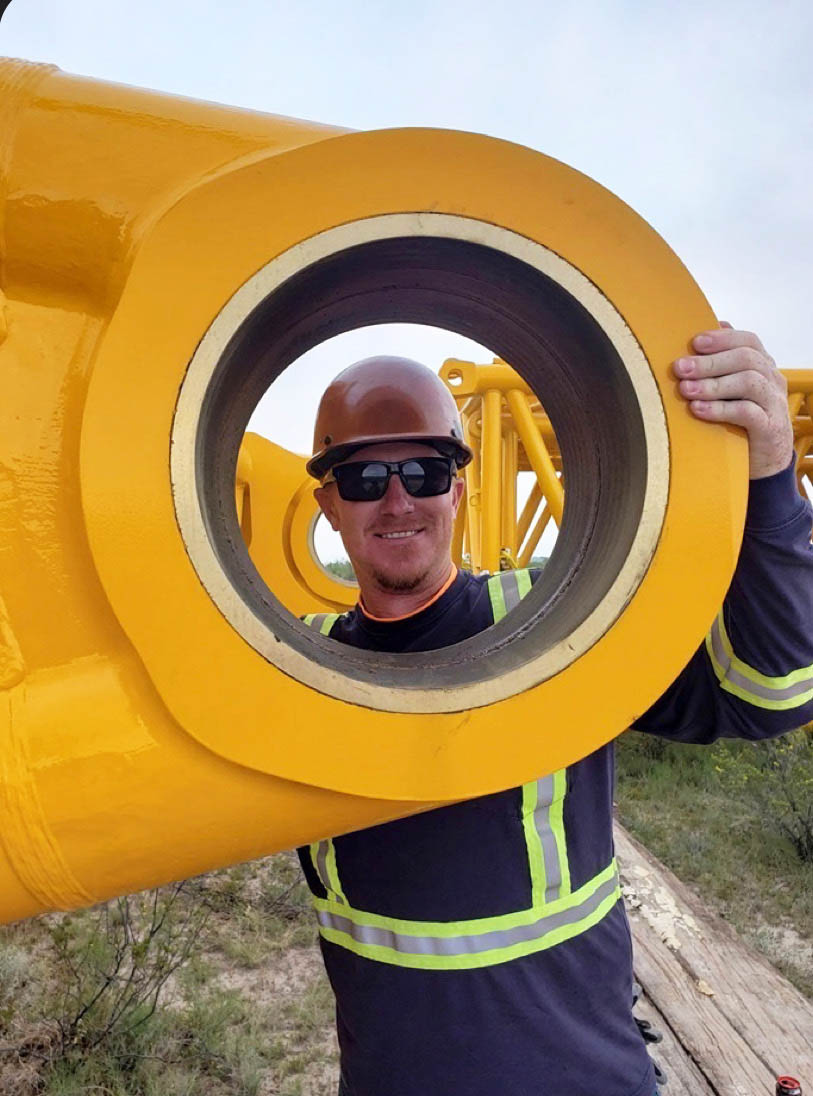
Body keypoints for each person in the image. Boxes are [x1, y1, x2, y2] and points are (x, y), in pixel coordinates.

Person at [296, 327, 813, 1096]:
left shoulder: (557, 622)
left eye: (426, 471)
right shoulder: (291, 670)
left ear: (459, 491)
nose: (399, 499)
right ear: (328, 505)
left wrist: (769, 484)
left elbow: (766, 694)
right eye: (366, 478)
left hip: (577, 1077)